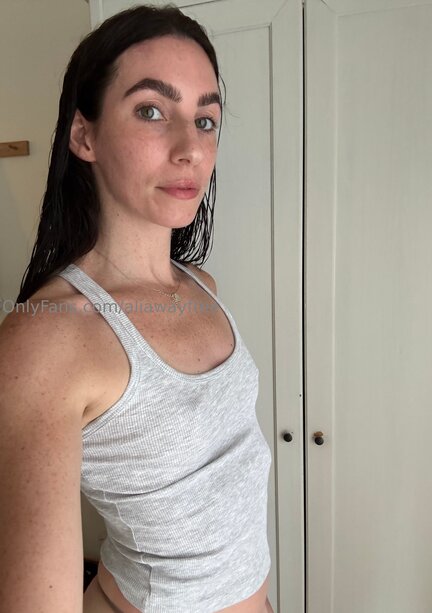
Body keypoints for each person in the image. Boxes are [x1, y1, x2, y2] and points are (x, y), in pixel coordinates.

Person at [0, 5, 274, 613]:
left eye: (205, 119)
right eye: (152, 111)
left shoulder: (201, 286)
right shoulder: (46, 342)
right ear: (84, 136)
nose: (191, 148)